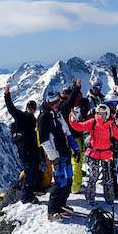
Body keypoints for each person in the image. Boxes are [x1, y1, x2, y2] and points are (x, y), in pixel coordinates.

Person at [70, 103, 118, 206]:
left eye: (103, 113)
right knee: (93, 176)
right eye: (99, 113)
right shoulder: (93, 122)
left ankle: (109, 198)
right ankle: (90, 198)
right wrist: (72, 119)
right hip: (93, 152)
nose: (101, 116)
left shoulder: (111, 125)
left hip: (106, 153)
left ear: (107, 114)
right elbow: (79, 126)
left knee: (108, 177)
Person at [38, 89, 81, 220]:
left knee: (69, 179)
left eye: (57, 101)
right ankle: (52, 210)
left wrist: (76, 148)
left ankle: (62, 204)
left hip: (65, 152)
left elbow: (67, 132)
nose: (56, 104)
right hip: (57, 155)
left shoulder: (58, 114)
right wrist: (54, 158)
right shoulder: (44, 117)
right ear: (47, 102)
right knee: (60, 181)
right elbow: (44, 141)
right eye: (52, 102)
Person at [4, 83, 40, 204]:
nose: (31, 109)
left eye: (33, 108)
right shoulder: (21, 116)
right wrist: (6, 94)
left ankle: (29, 194)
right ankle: (26, 198)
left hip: (32, 150)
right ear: (27, 108)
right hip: (24, 150)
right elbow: (11, 108)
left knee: (33, 172)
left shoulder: (33, 119)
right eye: (30, 107)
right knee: (29, 172)